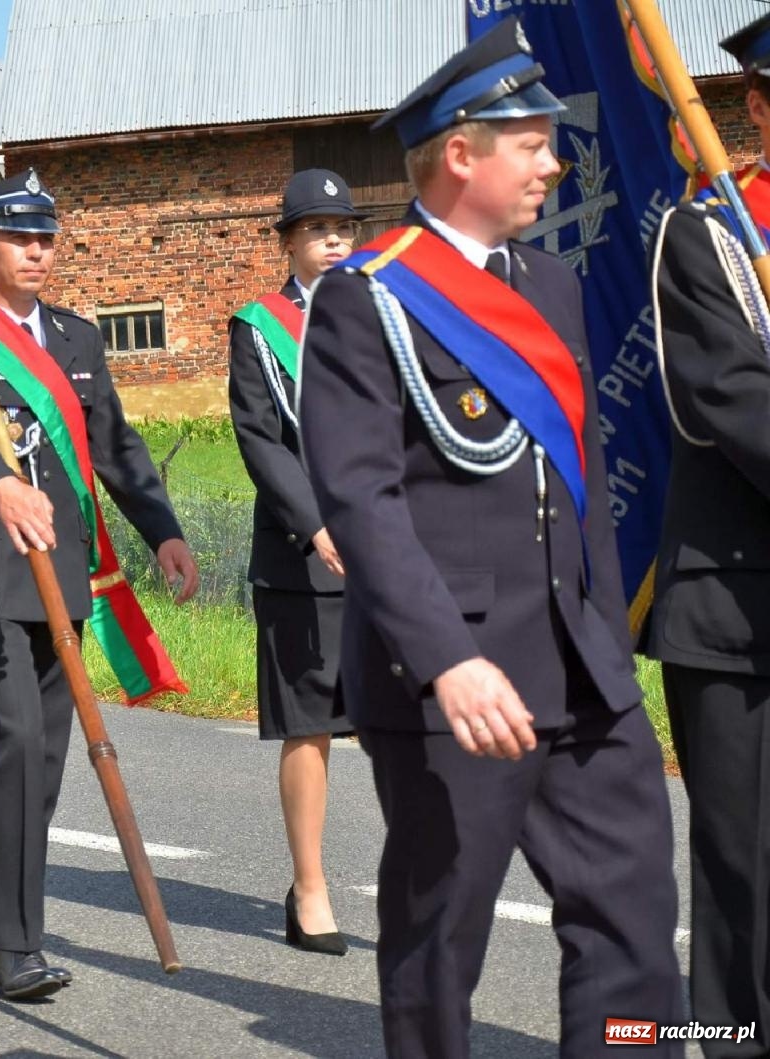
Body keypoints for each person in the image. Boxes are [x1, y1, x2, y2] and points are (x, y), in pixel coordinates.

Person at [298, 18, 683, 1056]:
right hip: (457, 681)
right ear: (460, 152)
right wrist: (447, 662)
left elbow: (582, 485)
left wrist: (608, 637)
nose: (554, 162)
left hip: (578, 670)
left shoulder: (547, 283)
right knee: (438, 944)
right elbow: (363, 501)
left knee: (634, 923)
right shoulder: (362, 298)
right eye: (531, 141)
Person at [0, 169, 199, 1001]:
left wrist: (164, 530)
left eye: (45, 239)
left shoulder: (75, 337)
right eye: (19, 238)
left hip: (63, 571)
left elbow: (117, 447)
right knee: (18, 742)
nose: (36, 251)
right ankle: (21, 945)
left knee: (45, 758)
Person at [646, 14, 770, 1056]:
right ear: (758, 110)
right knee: (745, 868)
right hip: (737, 606)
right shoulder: (711, 233)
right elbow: (723, 401)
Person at [227, 168, 362, 957]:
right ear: (288, 241)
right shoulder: (258, 326)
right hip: (300, 557)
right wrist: (315, 526)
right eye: (316, 228)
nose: (334, 239)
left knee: (405, 726)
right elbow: (259, 441)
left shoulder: (388, 315)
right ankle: (310, 887)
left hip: (387, 556)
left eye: (343, 226)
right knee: (310, 727)